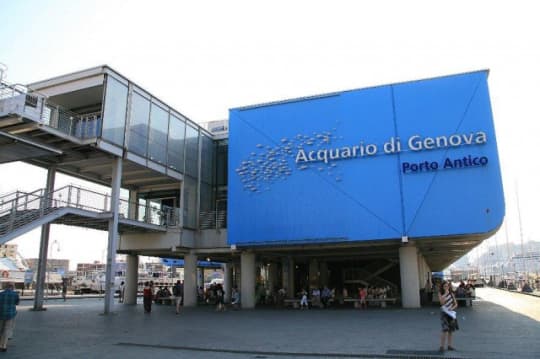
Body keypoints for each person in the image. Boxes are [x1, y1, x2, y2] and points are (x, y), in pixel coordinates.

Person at [438, 281, 458, 353]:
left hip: (451, 313)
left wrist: (452, 308)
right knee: (445, 330)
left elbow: (456, 304)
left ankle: (449, 346)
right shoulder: (440, 293)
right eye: (445, 286)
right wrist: (445, 294)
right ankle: (442, 346)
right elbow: (441, 302)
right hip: (444, 313)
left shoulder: (452, 294)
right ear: (442, 287)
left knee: (451, 330)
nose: (446, 287)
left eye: (447, 286)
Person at [0, 282, 19, 352]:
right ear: (12, 287)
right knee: (7, 329)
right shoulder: (15, 294)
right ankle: (3, 346)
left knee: (1, 329)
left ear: (5, 286)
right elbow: (17, 303)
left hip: (1, 314)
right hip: (10, 315)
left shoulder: (1, 294)